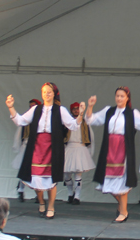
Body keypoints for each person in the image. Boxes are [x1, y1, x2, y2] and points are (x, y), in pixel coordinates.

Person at [7, 83, 83, 219]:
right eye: (44, 92)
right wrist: (11, 107)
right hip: (37, 146)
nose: (46, 94)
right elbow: (20, 121)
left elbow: (73, 125)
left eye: (49, 92)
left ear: (54, 94)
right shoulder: (36, 109)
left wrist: (81, 115)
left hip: (52, 147)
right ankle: (41, 202)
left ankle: (51, 207)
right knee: (36, 178)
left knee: (51, 179)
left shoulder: (60, 110)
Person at [86, 86, 140, 223]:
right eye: (117, 96)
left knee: (122, 182)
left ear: (127, 98)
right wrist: (90, 106)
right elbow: (91, 120)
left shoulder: (132, 113)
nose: (119, 98)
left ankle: (123, 212)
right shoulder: (108, 111)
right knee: (107, 181)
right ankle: (122, 206)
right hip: (109, 147)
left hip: (123, 148)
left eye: (122, 96)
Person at [63, 102, 95, 205]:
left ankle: (77, 196)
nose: (76, 110)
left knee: (78, 175)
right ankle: (70, 194)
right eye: (74, 109)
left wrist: (90, 150)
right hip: (68, 148)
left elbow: (91, 137)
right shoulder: (67, 122)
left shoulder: (85, 122)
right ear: (71, 110)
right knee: (66, 175)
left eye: (78, 109)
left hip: (80, 148)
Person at [12, 99, 41, 202]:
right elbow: (19, 134)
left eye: (34, 106)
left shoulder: (42, 118)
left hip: (37, 147)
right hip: (26, 145)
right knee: (25, 168)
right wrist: (18, 146)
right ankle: (21, 189)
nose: (31, 108)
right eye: (30, 106)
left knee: (36, 170)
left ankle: (38, 194)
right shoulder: (26, 119)